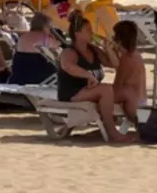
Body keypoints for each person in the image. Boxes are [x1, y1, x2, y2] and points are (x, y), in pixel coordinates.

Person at [56, 13, 132, 143]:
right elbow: (67, 66)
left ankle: (128, 124)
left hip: (90, 90)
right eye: (88, 30)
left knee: (122, 91)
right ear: (77, 34)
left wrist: (108, 49)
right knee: (106, 90)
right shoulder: (69, 51)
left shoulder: (94, 50)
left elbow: (115, 64)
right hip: (72, 92)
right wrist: (88, 75)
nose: (92, 32)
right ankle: (112, 131)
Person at [8, 13, 60, 86]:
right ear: (44, 26)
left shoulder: (22, 38)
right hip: (40, 79)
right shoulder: (47, 39)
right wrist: (53, 38)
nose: (50, 29)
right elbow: (58, 55)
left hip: (19, 78)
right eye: (50, 27)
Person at [110, 20, 146, 120]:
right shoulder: (136, 55)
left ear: (119, 41)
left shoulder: (125, 60)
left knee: (104, 94)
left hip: (133, 106)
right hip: (142, 102)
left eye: (113, 38)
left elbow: (117, 87)